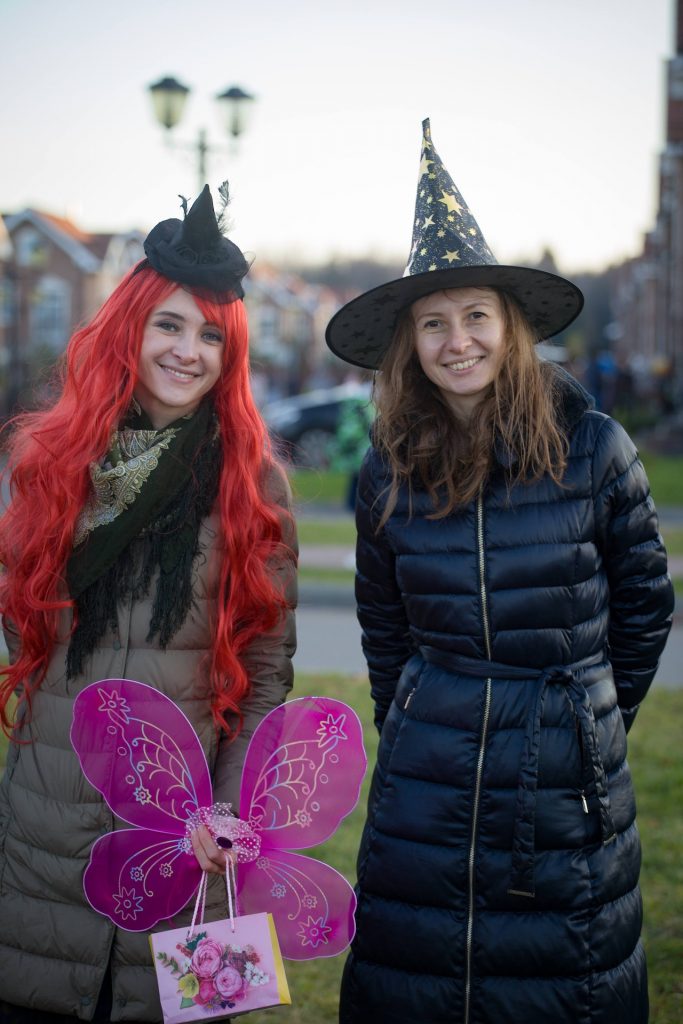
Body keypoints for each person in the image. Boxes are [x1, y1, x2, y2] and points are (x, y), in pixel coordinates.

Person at [325, 120, 674, 1024]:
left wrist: (587, 720)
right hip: (424, 779)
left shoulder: (593, 447)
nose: (457, 341)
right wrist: (410, 723)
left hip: (561, 781)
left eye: (475, 315)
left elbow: (644, 607)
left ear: (510, 327)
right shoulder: (386, 468)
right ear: (410, 344)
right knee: (420, 979)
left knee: (562, 984)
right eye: (432, 324)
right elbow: (383, 622)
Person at [0, 184, 298, 1022]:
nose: (187, 351)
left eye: (210, 335)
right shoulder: (54, 461)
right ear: (130, 325)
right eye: (168, 323)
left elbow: (266, 673)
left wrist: (230, 820)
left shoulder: (252, 485)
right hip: (44, 840)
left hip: (185, 852)